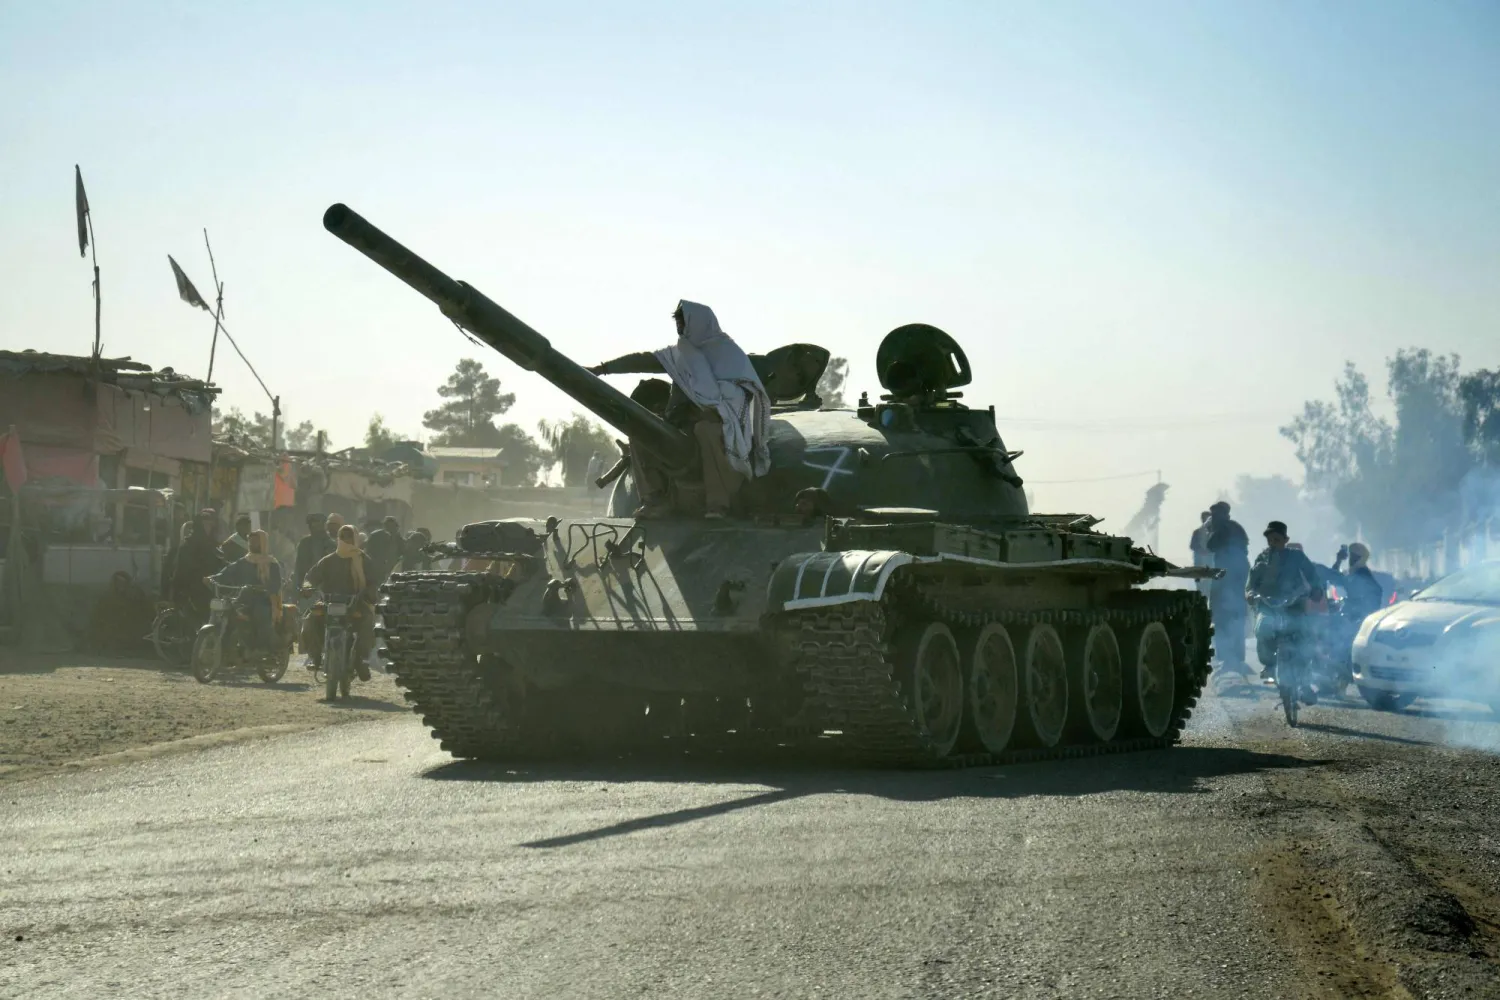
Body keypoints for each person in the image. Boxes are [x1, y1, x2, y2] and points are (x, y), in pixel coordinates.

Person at [587, 300, 771, 519]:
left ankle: (718, 503)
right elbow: (644, 360)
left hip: (719, 419)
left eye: (684, 324)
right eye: (678, 325)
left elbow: (745, 391)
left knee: (707, 431)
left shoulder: (727, 353)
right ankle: (654, 498)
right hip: (680, 418)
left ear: (699, 324)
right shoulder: (681, 355)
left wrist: (717, 409)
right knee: (641, 430)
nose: (680, 330)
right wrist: (603, 369)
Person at [1246, 520, 1324, 694]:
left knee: (1304, 634)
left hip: (1293, 604)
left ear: (1285, 539)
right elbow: (1251, 583)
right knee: (1262, 629)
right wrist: (1250, 593)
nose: (1273, 543)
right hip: (1268, 605)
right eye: (1270, 539)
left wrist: (1317, 590)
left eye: (1277, 539)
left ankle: (1304, 682)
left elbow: (1312, 575)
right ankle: (1269, 665)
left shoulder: (1297, 556)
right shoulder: (1262, 558)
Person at [302, 524, 378, 680]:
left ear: (355, 538)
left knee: (368, 620)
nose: (345, 540)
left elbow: (373, 581)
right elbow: (310, 577)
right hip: (329, 602)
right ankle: (315, 656)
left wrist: (371, 592)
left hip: (355, 602)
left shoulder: (363, 559)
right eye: (342, 536)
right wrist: (307, 587)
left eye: (349, 536)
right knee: (310, 619)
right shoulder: (328, 560)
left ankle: (361, 660)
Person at [206, 529, 284, 654]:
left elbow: (276, 584)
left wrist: (266, 589)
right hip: (244, 596)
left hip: (265, 599)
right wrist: (213, 579)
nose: (252, 544)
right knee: (228, 612)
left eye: (255, 542)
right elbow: (228, 571)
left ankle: (262, 648)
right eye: (250, 541)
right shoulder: (245, 561)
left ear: (263, 543)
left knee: (261, 615)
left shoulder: (272, 563)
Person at [1205, 501, 1250, 673]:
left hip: (1226, 577)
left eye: (1215, 514)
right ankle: (1236, 658)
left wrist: (1211, 531)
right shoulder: (1236, 527)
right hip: (1236, 577)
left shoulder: (1223, 529)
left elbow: (1210, 546)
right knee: (1235, 618)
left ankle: (1227, 658)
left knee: (1224, 617)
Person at [172, 510, 225, 620]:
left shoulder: (212, 544)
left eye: (210, 524)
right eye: (205, 524)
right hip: (191, 586)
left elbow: (220, 561)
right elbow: (185, 570)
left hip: (211, 584)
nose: (208, 527)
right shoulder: (189, 545)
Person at [87, 570, 155, 655]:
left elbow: (147, 611)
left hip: (131, 630)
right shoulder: (107, 598)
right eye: (118, 583)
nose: (120, 586)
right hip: (114, 631)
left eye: (123, 583)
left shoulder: (135, 595)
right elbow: (98, 617)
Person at [1331, 542, 1384, 622]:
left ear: (1360, 558)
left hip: (1359, 618)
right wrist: (1338, 561)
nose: (1351, 560)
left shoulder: (1362, 573)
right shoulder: (1355, 573)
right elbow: (1335, 578)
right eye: (1351, 556)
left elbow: (1339, 580)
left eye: (1354, 557)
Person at [294, 512, 336, 591]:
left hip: (325, 588)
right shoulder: (304, 543)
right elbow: (298, 567)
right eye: (311, 524)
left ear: (324, 525)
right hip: (306, 587)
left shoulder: (331, 544)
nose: (313, 526)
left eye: (317, 523)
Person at [365, 515, 404, 584]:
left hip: (394, 569)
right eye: (388, 526)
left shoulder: (399, 539)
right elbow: (369, 552)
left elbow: (403, 553)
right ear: (384, 527)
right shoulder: (375, 537)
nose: (390, 529)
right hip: (378, 571)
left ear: (396, 528)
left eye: (393, 527)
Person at [1188, 510, 1213, 598]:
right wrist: (1201, 551)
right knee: (1200, 587)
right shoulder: (1197, 532)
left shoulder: (1213, 533)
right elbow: (1192, 545)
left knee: (1210, 587)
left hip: (1210, 564)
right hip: (1199, 564)